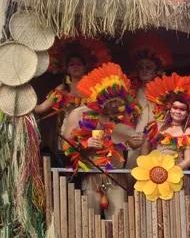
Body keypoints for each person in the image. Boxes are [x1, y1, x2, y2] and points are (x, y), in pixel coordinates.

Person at [62, 63, 140, 219]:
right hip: (91, 176)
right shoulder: (79, 114)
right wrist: (85, 144)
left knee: (119, 221)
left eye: (117, 102)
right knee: (90, 222)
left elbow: (132, 143)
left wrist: (135, 142)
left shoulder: (121, 117)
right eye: (110, 102)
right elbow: (65, 146)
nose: (114, 106)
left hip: (116, 177)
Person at [35, 38, 111, 160]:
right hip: (69, 134)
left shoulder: (95, 88)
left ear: (85, 66)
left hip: (91, 133)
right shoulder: (63, 88)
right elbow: (41, 108)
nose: (75, 67)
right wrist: (25, 102)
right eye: (72, 64)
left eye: (79, 64)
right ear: (67, 68)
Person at [125, 32, 174, 169]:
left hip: (158, 137)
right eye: (141, 67)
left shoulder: (165, 91)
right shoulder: (131, 91)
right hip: (136, 138)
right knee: (132, 171)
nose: (144, 70)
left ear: (156, 70)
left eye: (148, 67)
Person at [140, 73, 190, 170]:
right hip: (153, 173)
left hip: (175, 175)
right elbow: (144, 151)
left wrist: (170, 172)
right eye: (175, 108)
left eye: (182, 109)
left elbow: (188, 161)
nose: (178, 112)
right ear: (170, 109)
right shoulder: (156, 126)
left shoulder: (188, 132)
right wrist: (148, 169)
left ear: (187, 113)